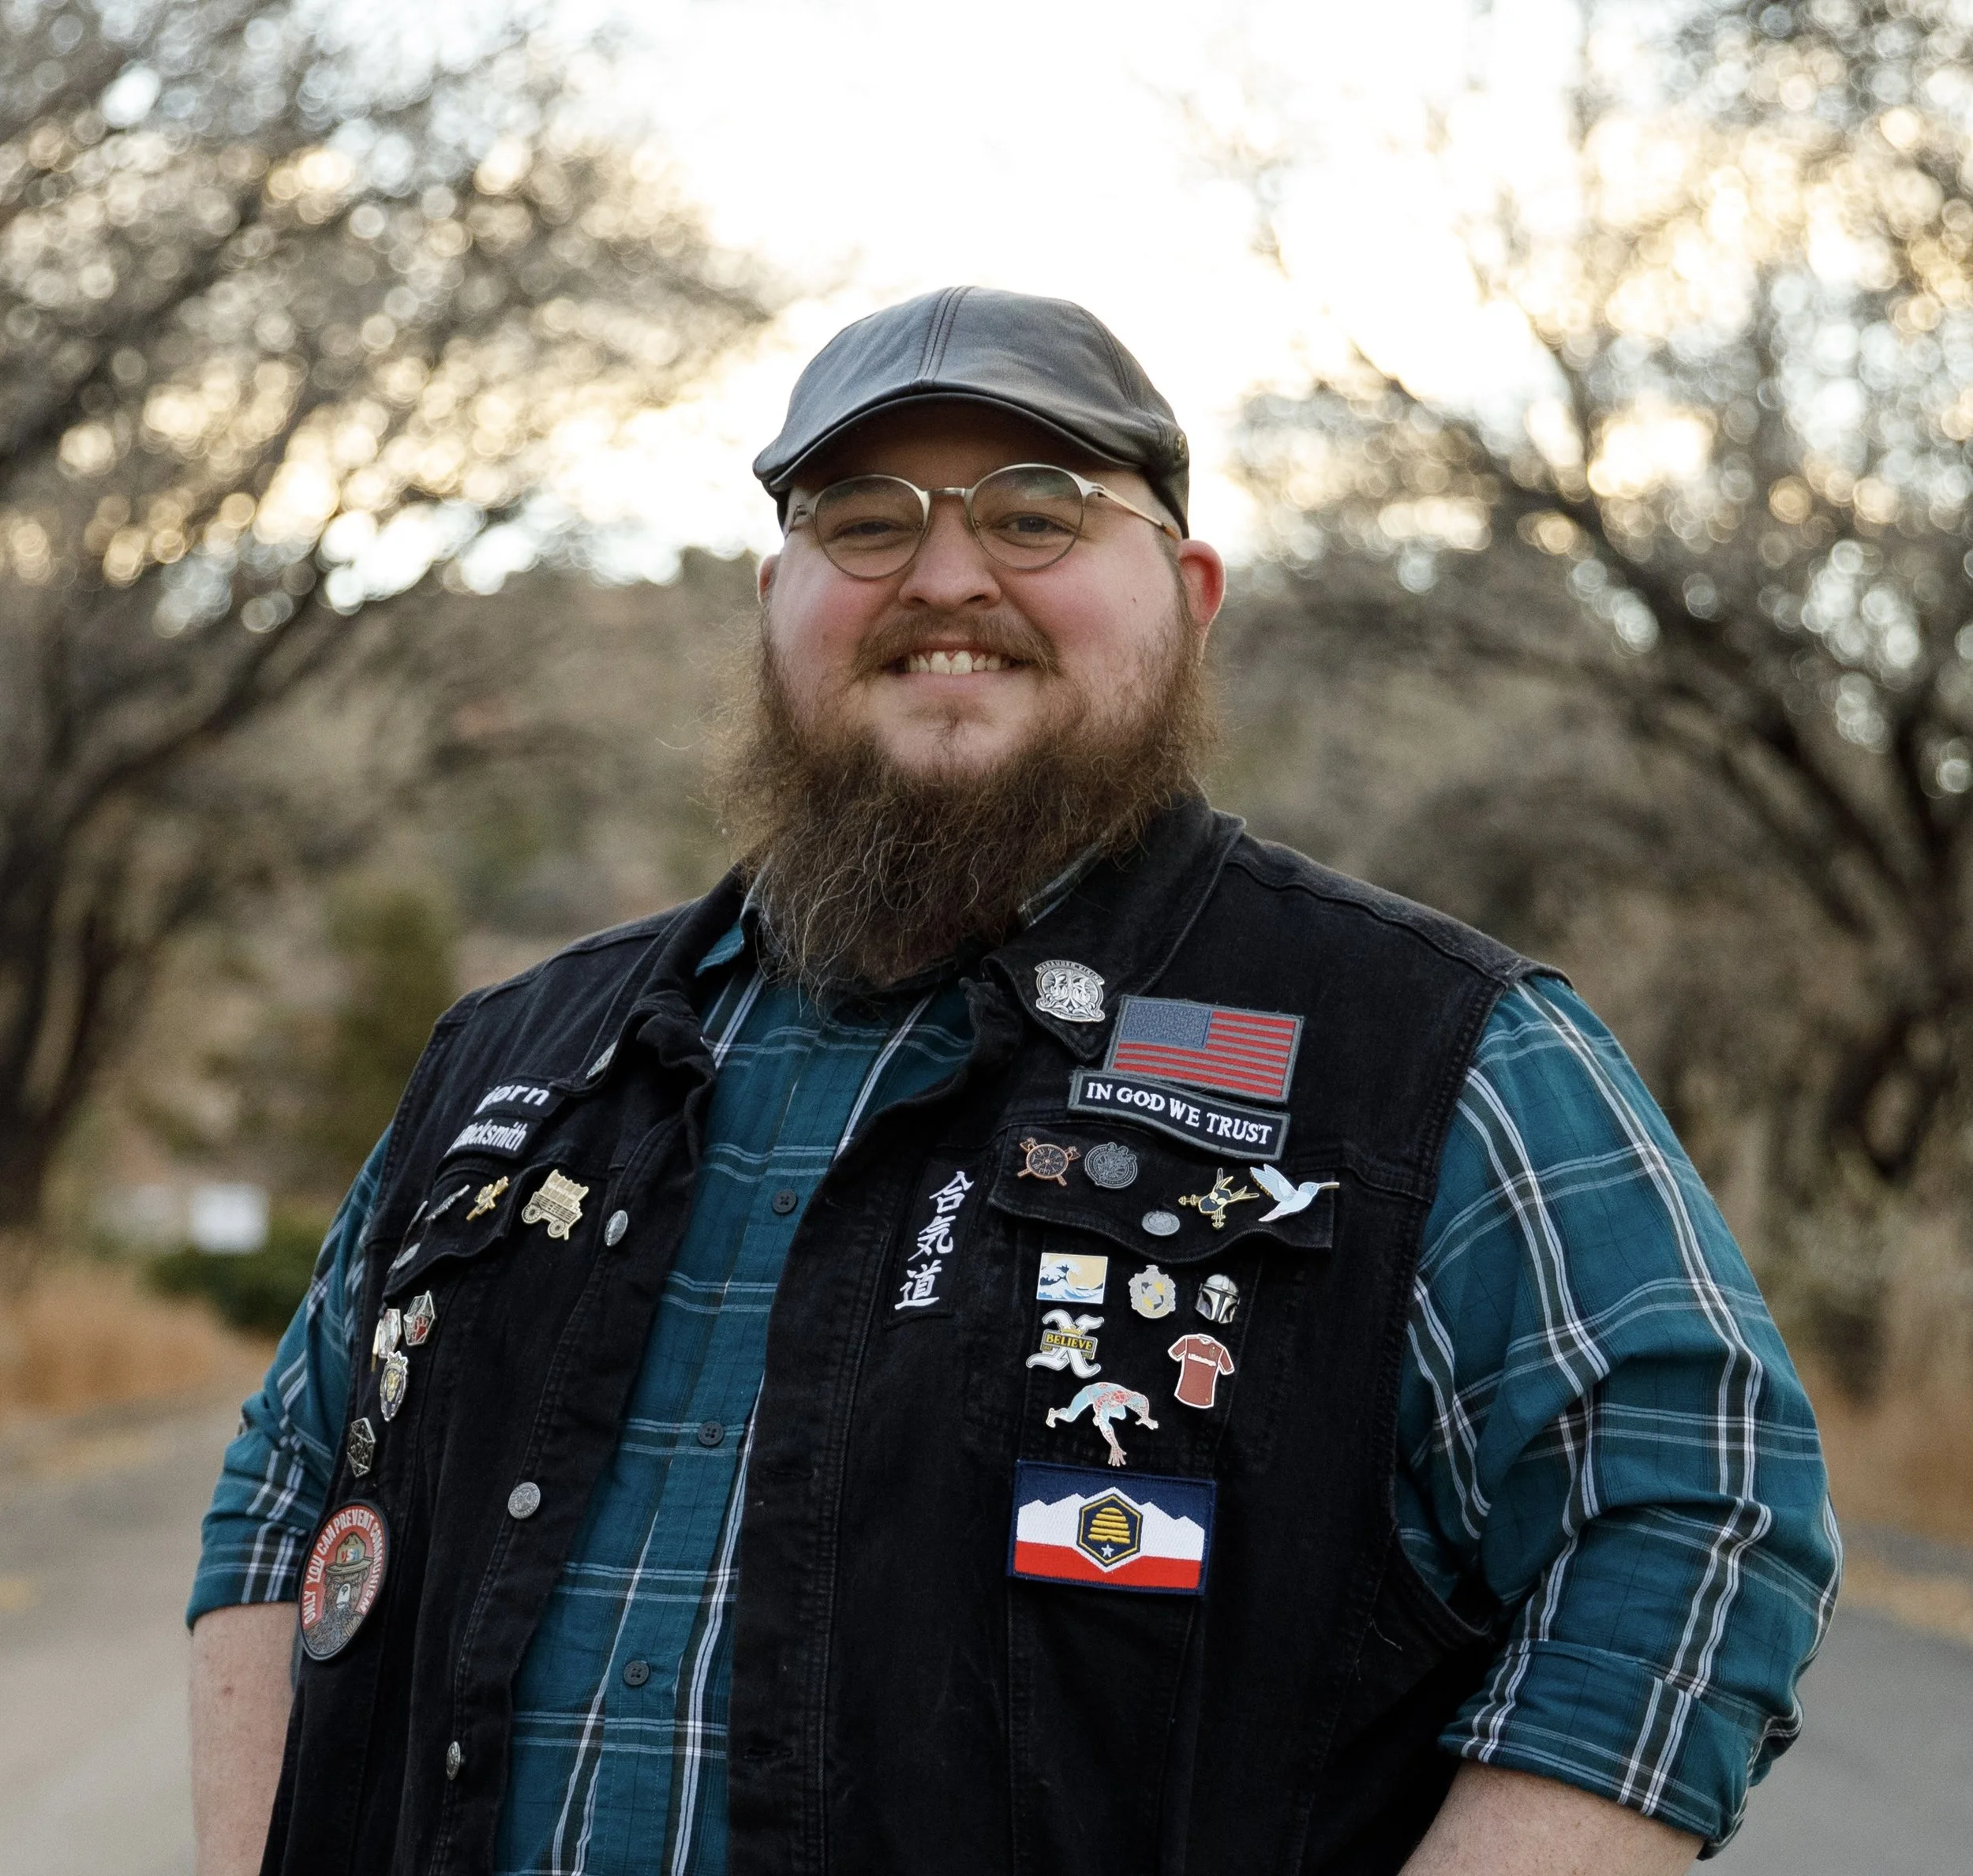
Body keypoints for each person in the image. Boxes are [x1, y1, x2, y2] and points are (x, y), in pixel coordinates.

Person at [188, 286, 1840, 1876]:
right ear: (771, 600)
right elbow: (284, 1490)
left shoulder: (1423, 1051)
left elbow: (1698, 1514)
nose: (945, 575)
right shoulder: (518, 1057)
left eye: (1036, 513)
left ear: (1188, 594)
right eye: (863, 519)